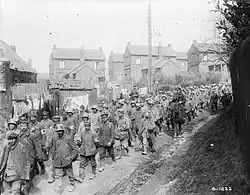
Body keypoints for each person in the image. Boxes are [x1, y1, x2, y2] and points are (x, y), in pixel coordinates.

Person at [49, 124, 79, 194]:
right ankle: (58, 190)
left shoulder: (68, 138)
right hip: (57, 160)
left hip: (66, 160)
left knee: (69, 173)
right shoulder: (55, 138)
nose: (59, 133)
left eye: (60, 131)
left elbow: (75, 149)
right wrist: (53, 157)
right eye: (58, 131)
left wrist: (71, 157)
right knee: (57, 175)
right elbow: (53, 148)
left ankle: (72, 184)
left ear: (63, 131)